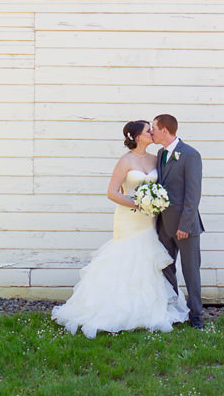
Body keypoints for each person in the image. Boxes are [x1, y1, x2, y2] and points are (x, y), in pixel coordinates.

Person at [51, 121, 188, 338]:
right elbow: (112, 193)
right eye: (147, 131)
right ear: (136, 137)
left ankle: (146, 309)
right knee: (126, 256)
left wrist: (154, 203)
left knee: (147, 258)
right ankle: (115, 308)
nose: (152, 132)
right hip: (128, 218)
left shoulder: (156, 159)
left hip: (149, 219)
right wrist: (139, 204)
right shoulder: (125, 161)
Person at [151, 113, 206, 329]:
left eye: (154, 128)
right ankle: (175, 309)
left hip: (186, 227)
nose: (151, 132)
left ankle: (196, 316)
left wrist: (185, 225)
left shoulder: (190, 155)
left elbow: (193, 194)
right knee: (167, 269)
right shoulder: (160, 154)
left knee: (191, 271)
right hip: (164, 225)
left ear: (165, 130)